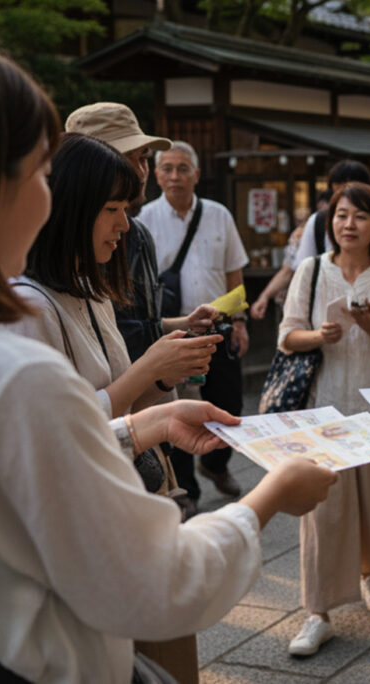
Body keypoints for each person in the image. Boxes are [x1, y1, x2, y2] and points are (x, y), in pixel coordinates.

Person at [0, 37, 337, 682]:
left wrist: (144, 424)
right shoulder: (12, 366)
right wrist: (269, 497)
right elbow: (153, 582)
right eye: (43, 172)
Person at [279, 182, 370, 656]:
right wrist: (318, 335)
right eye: (340, 215)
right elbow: (286, 337)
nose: (348, 224)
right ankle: (316, 611)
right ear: (329, 222)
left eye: (360, 216)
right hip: (325, 404)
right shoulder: (311, 270)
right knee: (322, 508)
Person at [64, 102, 218, 362]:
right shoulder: (62, 243)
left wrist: (182, 324)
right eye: (126, 158)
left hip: (152, 390)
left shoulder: (138, 234)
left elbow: (141, 326)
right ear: (87, 165)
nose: (140, 171)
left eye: (144, 158)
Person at [140, 141, 250, 502]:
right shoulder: (144, 221)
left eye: (182, 168)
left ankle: (217, 464)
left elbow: (234, 271)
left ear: (197, 174)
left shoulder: (219, 214)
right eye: (167, 168)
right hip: (176, 329)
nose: (175, 176)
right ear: (156, 175)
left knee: (229, 401)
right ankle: (185, 486)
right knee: (178, 407)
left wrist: (241, 322)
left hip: (220, 326)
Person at [252, 160, 370, 320]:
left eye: (360, 217)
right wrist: (265, 296)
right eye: (338, 187)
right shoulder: (317, 222)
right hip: (324, 314)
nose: (349, 225)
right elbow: (297, 270)